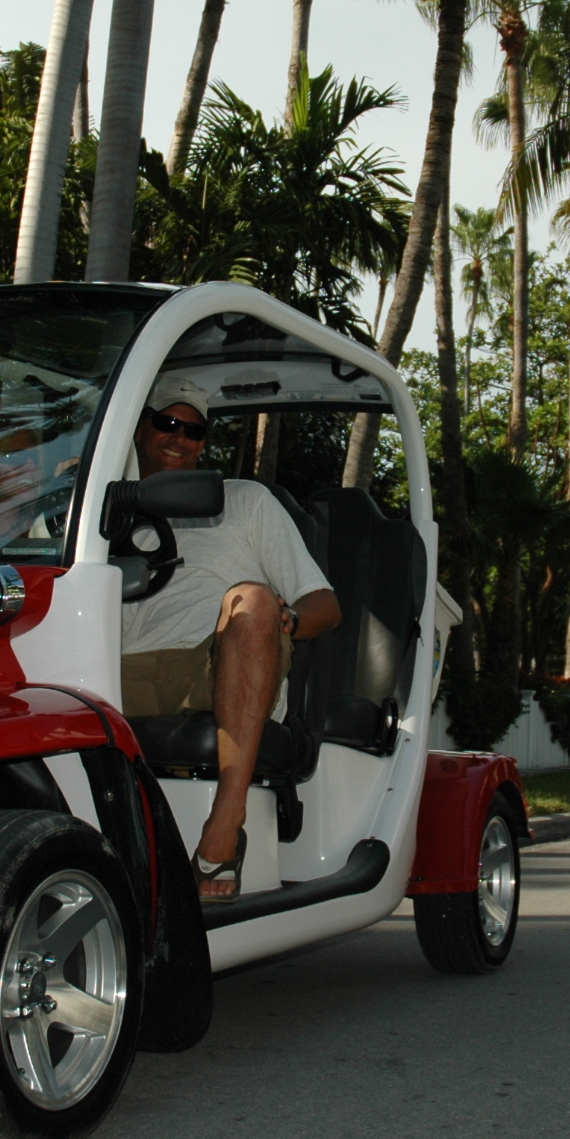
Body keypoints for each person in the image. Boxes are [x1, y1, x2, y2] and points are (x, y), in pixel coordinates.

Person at [119, 374, 341, 900]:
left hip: (210, 668)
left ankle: (225, 824)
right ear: (139, 430)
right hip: (110, 670)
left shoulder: (244, 500)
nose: (179, 437)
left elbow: (324, 606)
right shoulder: (99, 510)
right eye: (167, 423)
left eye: (193, 432)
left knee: (255, 599)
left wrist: (288, 620)